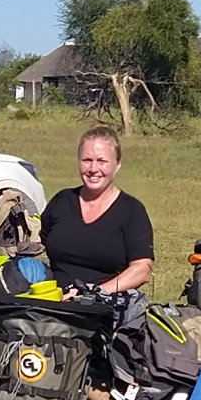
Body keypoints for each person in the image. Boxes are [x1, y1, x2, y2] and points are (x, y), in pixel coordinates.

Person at [38, 125, 155, 297]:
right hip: (55, 301)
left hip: (105, 305)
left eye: (102, 161)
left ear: (117, 165)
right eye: (87, 160)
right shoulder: (62, 201)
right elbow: (35, 243)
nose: (93, 169)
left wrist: (93, 293)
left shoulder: (132, 211)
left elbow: (142, 269)